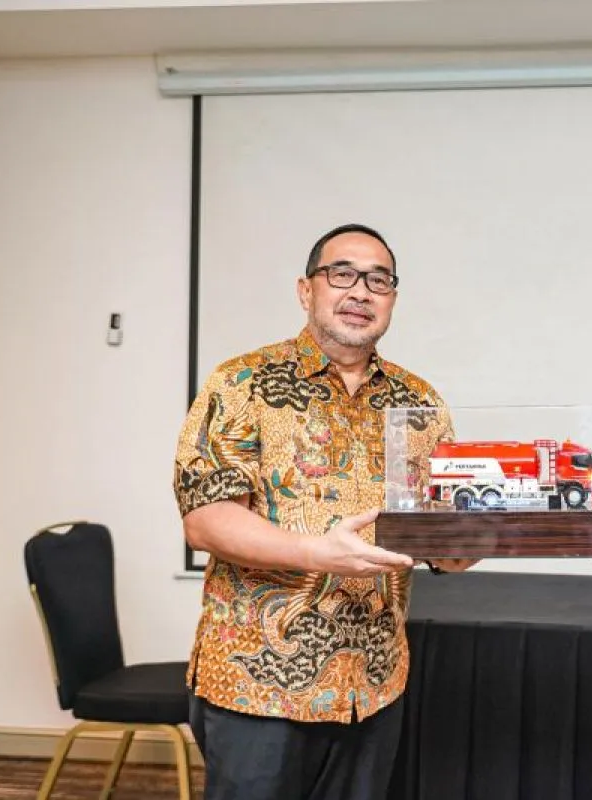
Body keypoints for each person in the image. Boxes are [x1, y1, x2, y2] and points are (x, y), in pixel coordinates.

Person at [173, 223, 475, 800]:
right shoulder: (242, 383)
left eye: (379, 281)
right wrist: (318, 553)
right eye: (342, 274)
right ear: (305, 290)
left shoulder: (419, 401)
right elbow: (205, 519)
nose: (360, 291)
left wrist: (488, 534)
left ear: (392, 299)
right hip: (258, 687)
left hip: (374, 685)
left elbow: (442, 537)